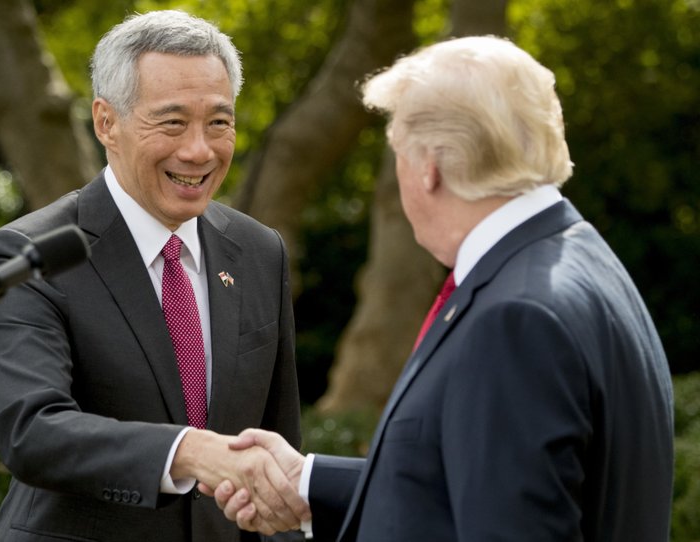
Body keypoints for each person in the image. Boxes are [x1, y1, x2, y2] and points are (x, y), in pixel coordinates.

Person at [208, 35, 675, 541]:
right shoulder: (578, 257)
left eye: (396, 153)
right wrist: (310, 481)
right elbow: (477, 486)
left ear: (428, 167)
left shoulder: (515, 319)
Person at [0, 10, 308, 542]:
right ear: (106, 122)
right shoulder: (34, 254)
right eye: (173, 122)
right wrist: (191, 451)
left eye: (219, 122)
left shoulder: (259, 250)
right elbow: (29, 430)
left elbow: (276, 450)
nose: (199, 150)